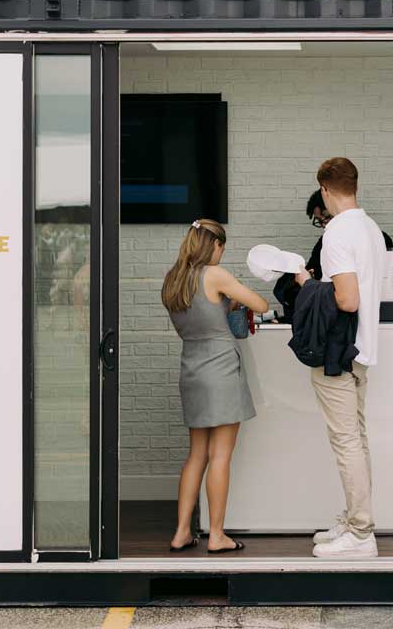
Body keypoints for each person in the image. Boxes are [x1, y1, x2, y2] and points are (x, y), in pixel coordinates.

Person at [296, 158, 387, 558]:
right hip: (362, 348)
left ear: (324, 188)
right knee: (357, 439)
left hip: (338, 351)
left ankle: (361, 534)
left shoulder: (337, 232)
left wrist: (308, 284)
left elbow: (346, 299)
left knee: (346, 441)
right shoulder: (370, 228)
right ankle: (355, 521)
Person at [161, 219, 268, 554]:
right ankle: (217, 535)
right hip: (221, 369)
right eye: (223, 246)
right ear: (215, 245)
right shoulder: (215, 275)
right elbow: (261, 304)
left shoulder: (173, 279)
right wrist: (232, 302)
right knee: (220, 455)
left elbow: (196, 317)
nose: (223, 253)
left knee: (196, 455)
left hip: (191, 367)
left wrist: (223, 306)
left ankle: (181, 532)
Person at [273, 190, 393, 320]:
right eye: (320, 221)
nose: (325, 225)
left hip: (362, 314)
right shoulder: (326, 242)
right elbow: (314, 272)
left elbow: (348, 301)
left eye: (327, 217)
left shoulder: (377, 237)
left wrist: (308, 282)